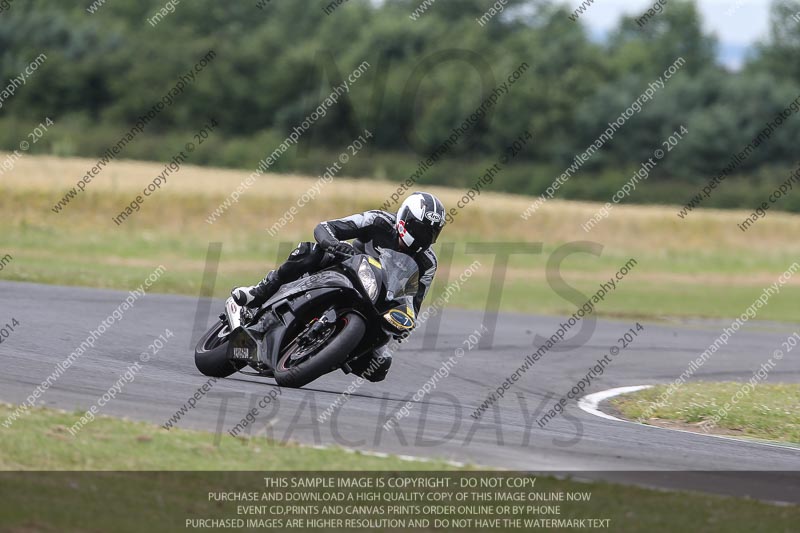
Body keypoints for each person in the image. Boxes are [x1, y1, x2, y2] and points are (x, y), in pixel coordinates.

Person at [231, 191, 446, 382]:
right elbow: (326, 227)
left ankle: (327, 353)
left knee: (379, 368)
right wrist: (335, 244)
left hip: (378, 300)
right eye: (420, 229)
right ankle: (259, 292)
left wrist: (405, 324)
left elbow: (414, 301)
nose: (424, 237)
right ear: (404, 219)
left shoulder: (428, 263)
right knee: (308, 252)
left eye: (431, 233)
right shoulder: (378, 220)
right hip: (345, 268)